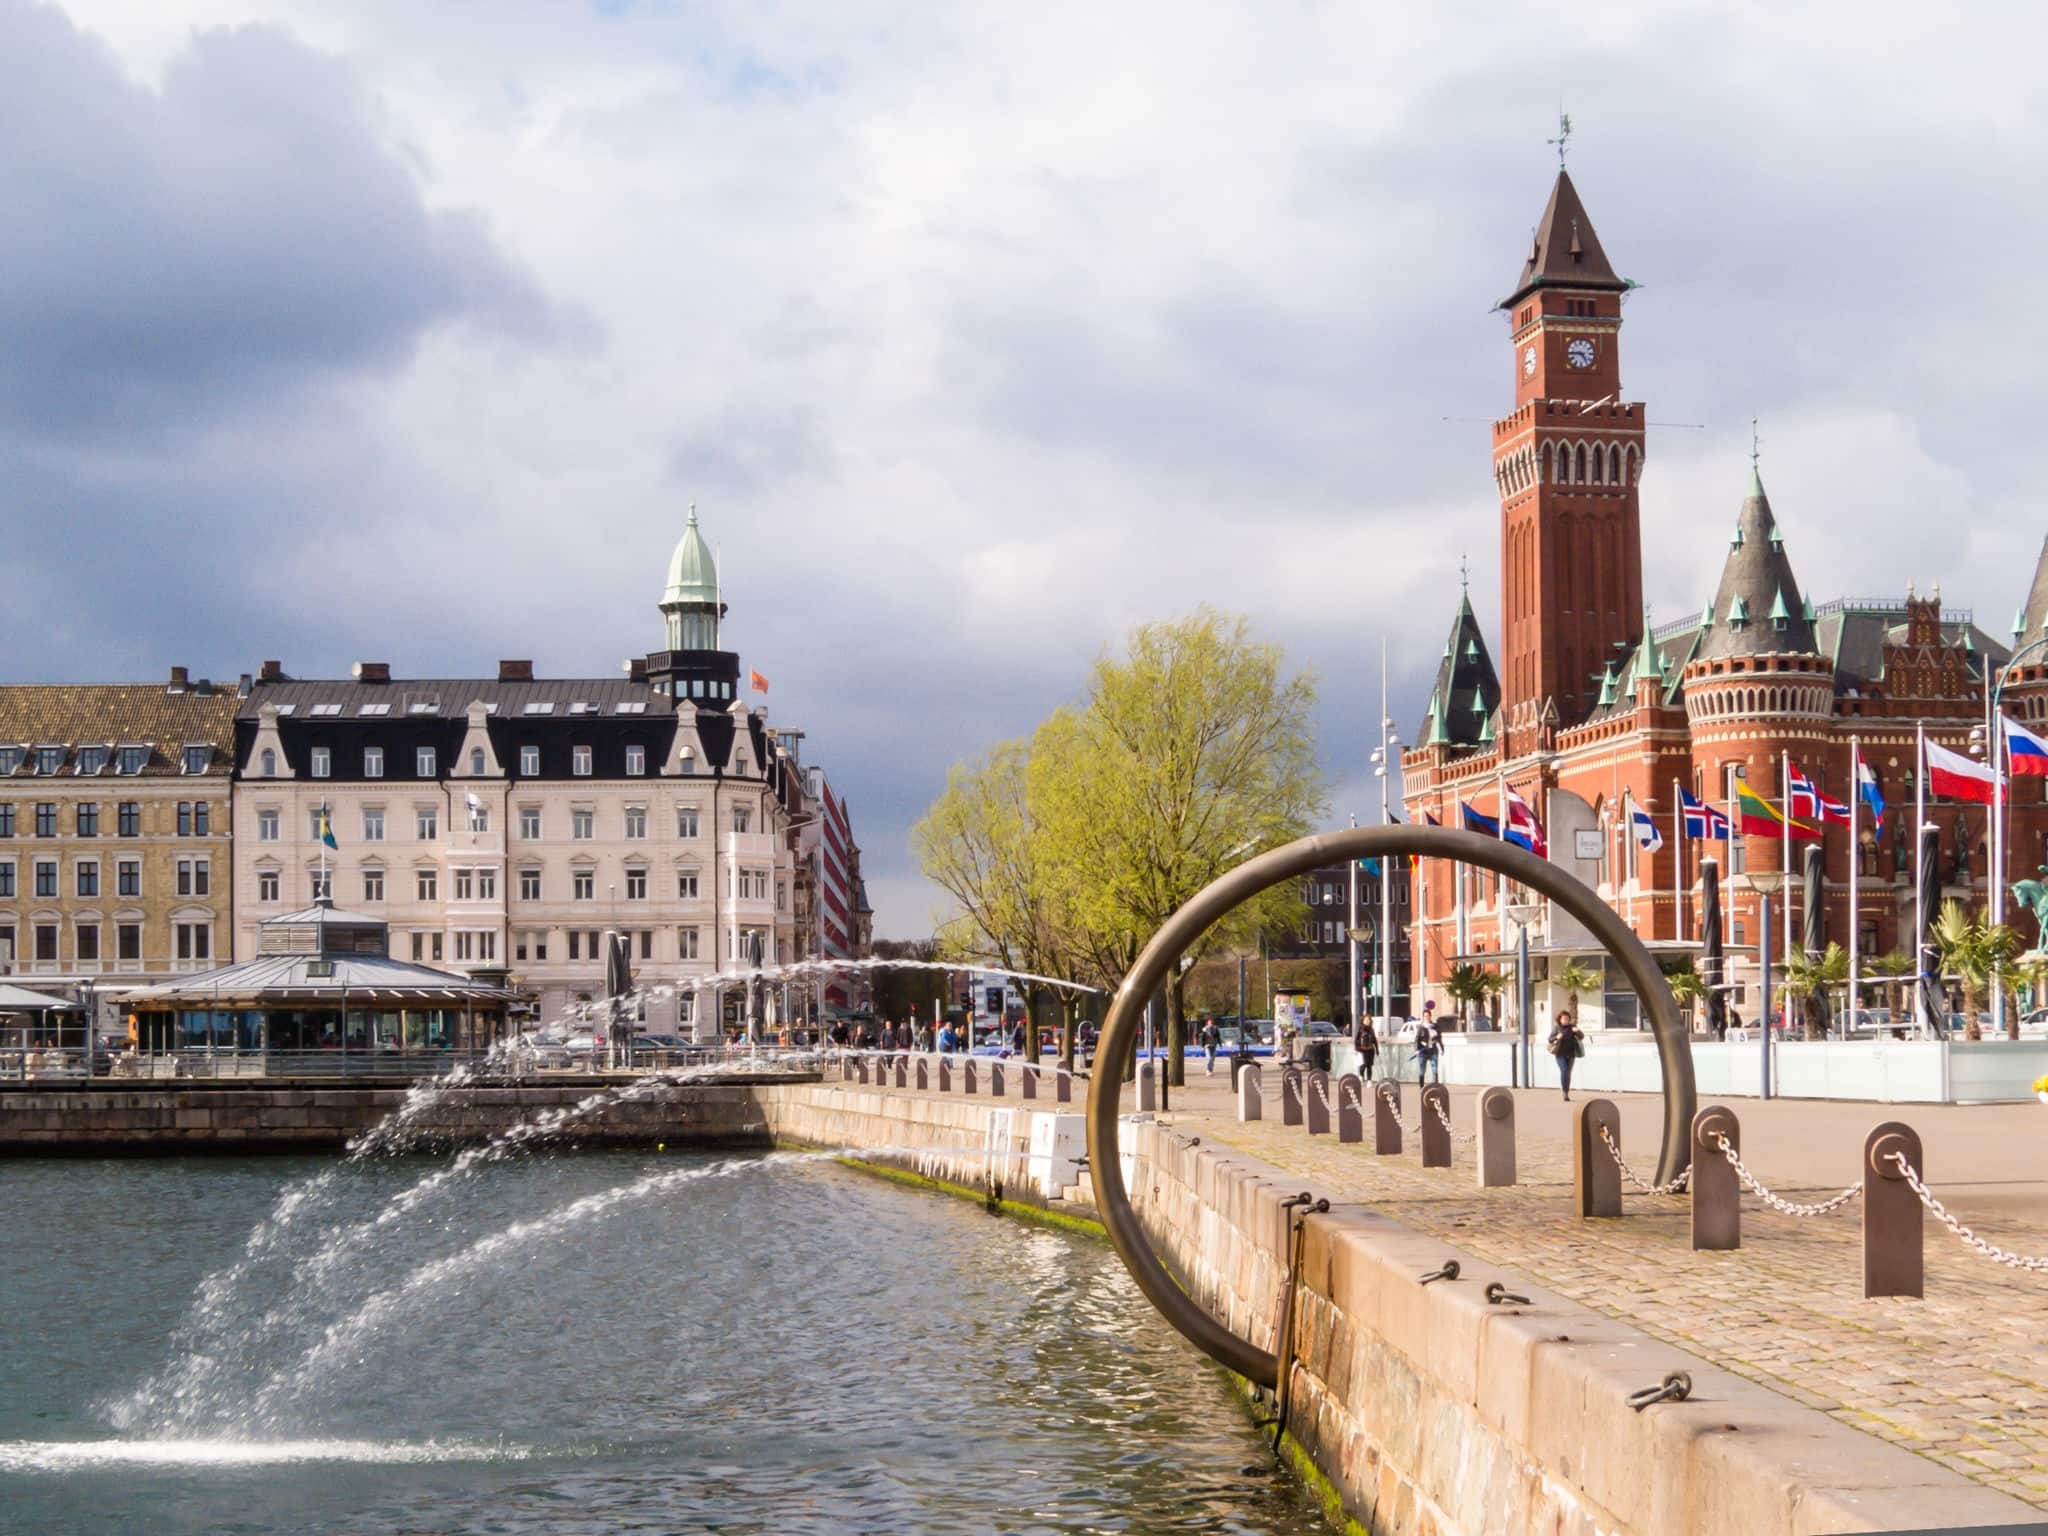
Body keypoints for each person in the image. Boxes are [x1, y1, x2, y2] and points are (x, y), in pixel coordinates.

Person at [1548, 1008, 1585, 1101]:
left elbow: (1581, 1037)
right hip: (1560, 1054)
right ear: (1560, 1019)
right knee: (1564, 1071)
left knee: (1568, 1073)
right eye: (1564, 1018)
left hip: (1571, 1054)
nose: (1566, 1020)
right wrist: (1557, 1036)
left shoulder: (1572, 1027)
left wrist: (1577, 1031)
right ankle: (1565, 1093)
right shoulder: (1557, 1028)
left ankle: (1566, 1092)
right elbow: (1549, 1039)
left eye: (1567, 1019)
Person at [1413, 1016, 1441, 1084]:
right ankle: (1421, 1087)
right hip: (1423, 1052)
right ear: (1423, 1017)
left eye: (1427, 1016)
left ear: (1430, 1016)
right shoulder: (1420, 1027)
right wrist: (1416, 1049)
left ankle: (1435, 1087)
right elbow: (1417, 1040)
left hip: (1433, 1051)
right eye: (1425, 1016)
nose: (1426, 1017)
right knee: (1422, 1070)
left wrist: (1441, 1048)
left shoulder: (1435, 1027)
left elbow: (1439, 1038)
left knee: (1435, 1069)